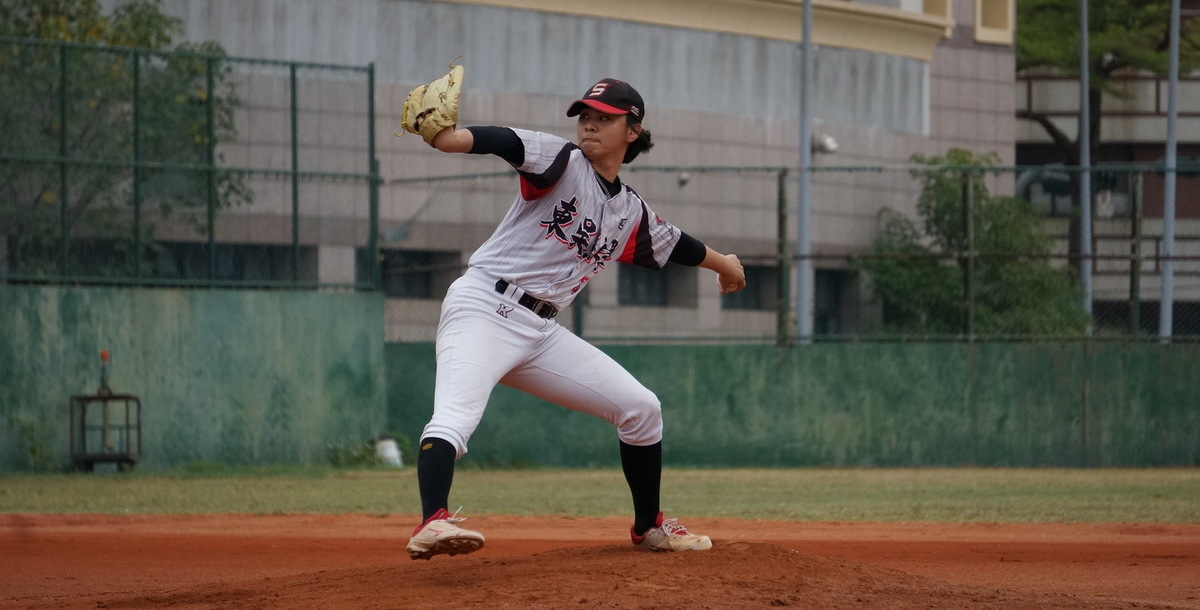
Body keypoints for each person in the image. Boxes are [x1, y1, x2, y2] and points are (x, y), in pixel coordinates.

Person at [403, 77, 747, 560]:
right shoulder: (561, 160)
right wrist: (450, 139)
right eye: (585, 115)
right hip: (484, 308)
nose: (590, 125)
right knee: (456, 415)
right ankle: (432, 522)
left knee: (641, 408)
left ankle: (649, 527)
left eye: (605, 118)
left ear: (633, 130)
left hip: (539, 331)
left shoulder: (628, 211)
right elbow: (505, 141)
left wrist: (723, 263)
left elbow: (676, 243)